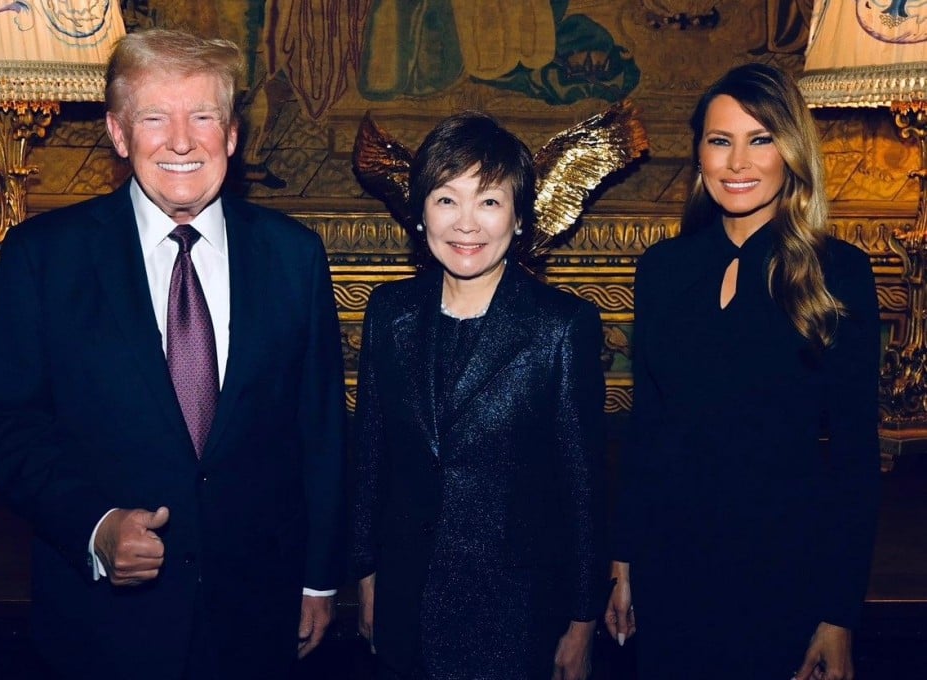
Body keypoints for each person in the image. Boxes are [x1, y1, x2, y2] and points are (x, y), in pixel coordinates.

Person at [0, 29, 347, 679]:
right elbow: (4, 423)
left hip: (257, 618)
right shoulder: (43, 257)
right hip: (103, 626)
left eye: (203, 117)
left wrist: (318, 579)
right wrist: (95, 525)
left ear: (231, 135)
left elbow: (321, 431)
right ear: (118, 134)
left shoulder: (294, 255)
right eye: (154, 118)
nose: (181, 141)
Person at [605, 63, 880, 680]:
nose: (736, 163)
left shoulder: (838, 273)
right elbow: (647, 429)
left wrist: (839, 616)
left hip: (784, 574)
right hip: (672, 568)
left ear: (791, 152)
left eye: (760, 140)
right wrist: (622, 559)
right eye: (719, 140)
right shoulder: (664, 269)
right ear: (699, 152)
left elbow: (855, 460)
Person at [351, 111, 608, 680]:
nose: (466, 223)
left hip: (515, 616)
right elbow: (370, 457)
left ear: (519, 219)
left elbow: (584, 488)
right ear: (421, 213)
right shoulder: (388, 314)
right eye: (446, 199)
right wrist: (366, 576)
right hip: (405, 602)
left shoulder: (560, 327)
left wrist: (583, 622)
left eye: (489, 201)